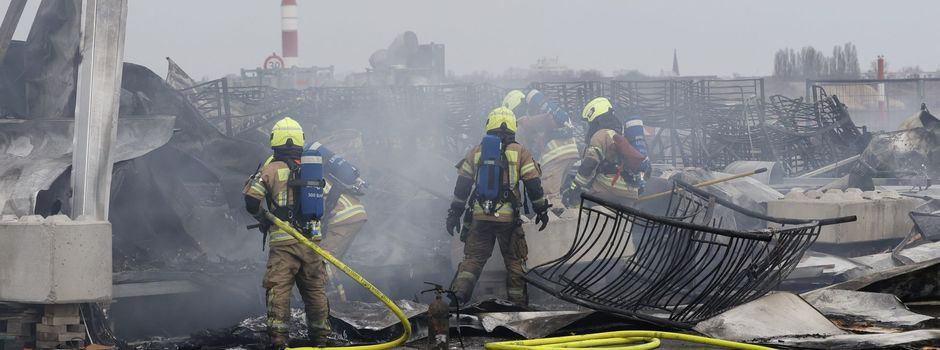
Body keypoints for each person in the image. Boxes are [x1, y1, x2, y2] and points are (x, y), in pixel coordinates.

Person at [445, 107, 551, 306]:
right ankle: (518, 306)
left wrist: (454, 214)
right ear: (513, 127)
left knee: (473, 260)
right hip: (508, 220)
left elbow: (462, 188)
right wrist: (541, 210)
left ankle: (457, 300)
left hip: (480, 217)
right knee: (515, 262)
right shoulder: (521, 152)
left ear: (489, 125)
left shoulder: (476, 151)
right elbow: (533, 186)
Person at [243, 117, 331, 348]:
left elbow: (251, 201)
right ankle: (321, 340)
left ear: (275, 140)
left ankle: (279, 342)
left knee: (279, 290)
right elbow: (325, 201)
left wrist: (263, 218)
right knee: (315, 290)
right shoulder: (312, 169)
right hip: (312, 242)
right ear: (300, 139)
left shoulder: (271, 169)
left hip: (284, 245)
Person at [562, 97, 650, 207]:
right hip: (630, 194)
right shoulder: (619, 134)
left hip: (609, 189)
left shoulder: (601, 135)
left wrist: (574, 187)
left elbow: (590, 163)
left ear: (596, 120)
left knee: (580, 201)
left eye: (589, 123)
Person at [502, 90, 580, 214]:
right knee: (559, 191)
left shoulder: (523, 122)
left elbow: (523, 151)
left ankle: (560, 227)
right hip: (570, 151)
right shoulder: (538, 114)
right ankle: (572, 214)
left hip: (554, 156)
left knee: (549, 196)